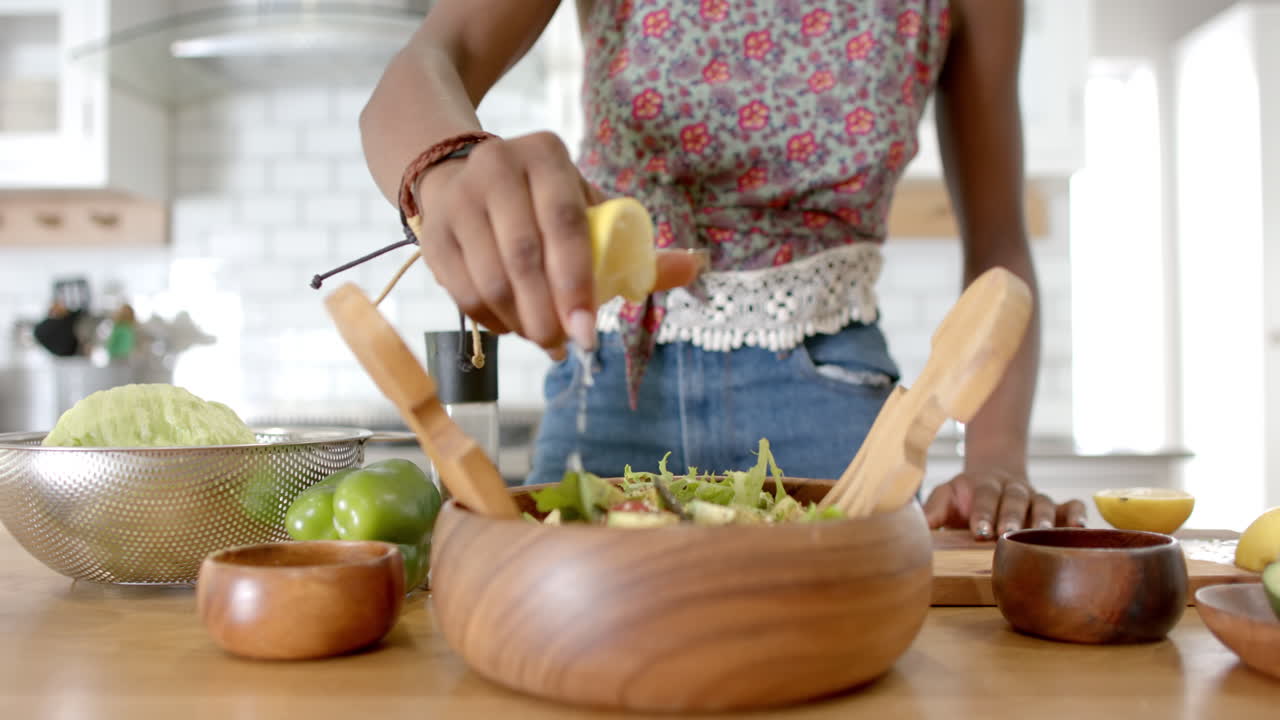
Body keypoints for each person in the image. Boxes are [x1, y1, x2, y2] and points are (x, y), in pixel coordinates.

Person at [359, 0, 1088, 539]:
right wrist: (445, 163)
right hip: (613, 389)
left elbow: (999, 246)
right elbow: (430, 58)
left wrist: (996, 460)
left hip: (838, 411)